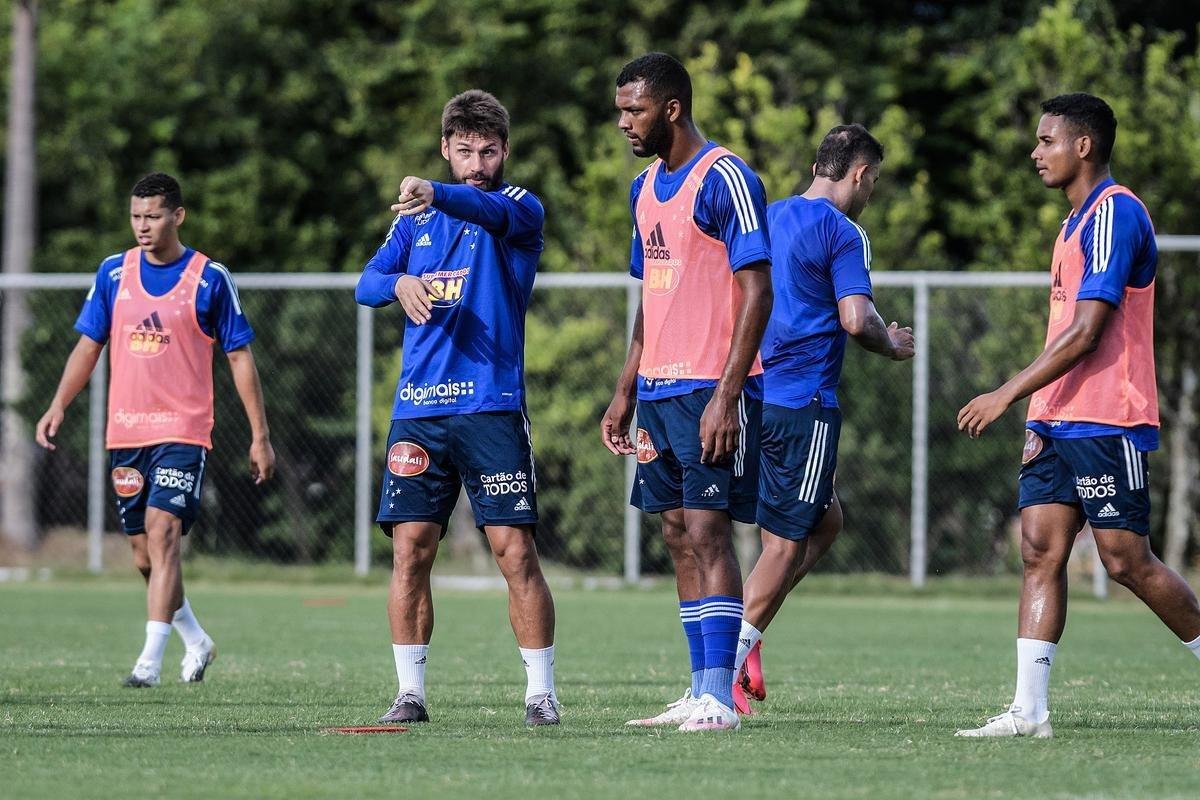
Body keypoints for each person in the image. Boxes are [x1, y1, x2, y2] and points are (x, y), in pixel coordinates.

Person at [955, 93, 1200, 738]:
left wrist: (1005, 394)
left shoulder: (1117, 214)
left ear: (1083, 146)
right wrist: (1036, 413)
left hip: (1106, 420)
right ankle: (1029, 712)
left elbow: (1088, 332)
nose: (1035, 152)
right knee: (1040, 550)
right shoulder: (1071, 225)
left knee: (1125, 561)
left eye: (1046, 140)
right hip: (1057, 421)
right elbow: (1062, 329)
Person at [356, 89, 559, 727]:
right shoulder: (413, 224)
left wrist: (437, 191)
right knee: (411, 549)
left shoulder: (517, 208)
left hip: (491, 408)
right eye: (464, 151)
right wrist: (399, 282)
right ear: (447, 148)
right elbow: (366, 284)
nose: (477, 163)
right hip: (419, 410)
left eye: (489, 151)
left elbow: (479, 205)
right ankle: (410, 694)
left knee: (514, 551)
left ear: (504, 152)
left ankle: (540, 694)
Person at [35, 172, 275, 688]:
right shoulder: (112, 273)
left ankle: (147, 664)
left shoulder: (209, 278)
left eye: (153, 216)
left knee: (165, 534)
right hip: (126, 431)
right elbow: (87, 345)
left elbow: (239, 355)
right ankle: (196, 639)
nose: (143, 226)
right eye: (136, 216)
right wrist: (58, 404)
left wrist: (260, 435)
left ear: (178, 216)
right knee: (146, 556)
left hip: (183, 430)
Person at [601, 52, 773, 732]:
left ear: (671, 108)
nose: (623, 123)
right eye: (620, 110)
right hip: (658, 392)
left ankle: (720, 697)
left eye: (634, 110)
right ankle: (697, 687)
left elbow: (757, 291)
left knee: (708, 532)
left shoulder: (726, 177)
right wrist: (624, 389)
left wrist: (728, 396)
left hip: (711, 388)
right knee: (675, 533)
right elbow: (652, 297)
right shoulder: (643, 188)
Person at [730, 125, 915, 714]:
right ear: (859, 173)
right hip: (803, 400)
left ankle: (749, 640)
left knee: (823, 519)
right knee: (786, 545)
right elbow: (857, 319)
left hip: (751, 394)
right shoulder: (844, 231)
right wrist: (893, 344)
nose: (873, 193)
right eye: (875, 181)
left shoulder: (768, 214)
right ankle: (723, 669)